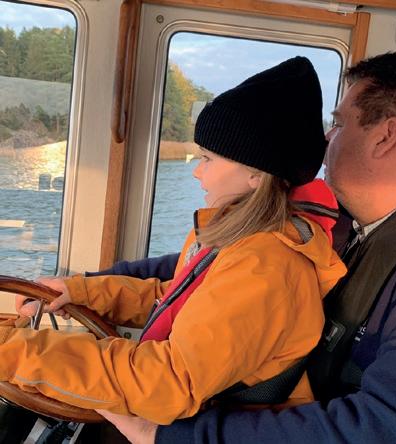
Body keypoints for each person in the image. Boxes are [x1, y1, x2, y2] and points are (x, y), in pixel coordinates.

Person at [81, 49, 396, 443]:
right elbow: (205, 265)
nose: (326, 139)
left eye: (338, 124)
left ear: (385, 136)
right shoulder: (340, 224)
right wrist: (84, 286)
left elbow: (394, 427)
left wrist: (170, 436)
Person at [7, 57, 346, 427]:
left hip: (216, 426)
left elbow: (170, 381)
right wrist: (80, 292)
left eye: (207, 159)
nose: (197, 171)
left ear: (256, 174)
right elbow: (172, 299)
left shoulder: (265, 267)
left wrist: (15, 353)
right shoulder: (241, 239)